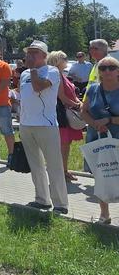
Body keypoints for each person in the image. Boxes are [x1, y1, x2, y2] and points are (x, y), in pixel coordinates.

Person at [19, 41, 68, 215]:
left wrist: (33, 70)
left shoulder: (52, 71)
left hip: (46, 125)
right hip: (26, 125)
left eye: (34, 53)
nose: (29, 56)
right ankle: (42, 200)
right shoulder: (24, 73)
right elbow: (23, 97)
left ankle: (61, 204)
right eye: (28, 53)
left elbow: (38, 87)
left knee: (54, 165)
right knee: (35, 165)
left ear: (44, 56)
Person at [80, 56, 119, 224]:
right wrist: (95, 124)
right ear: (99, 72)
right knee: (100, 175)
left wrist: (109, 121)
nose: (107, 71)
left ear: (118, 71)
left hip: (117, 138)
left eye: (111, 67)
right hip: (97, 138)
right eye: (103, 68)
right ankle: (104, 215)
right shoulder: (93, 89)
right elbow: (83, 111)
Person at [47, 51, 84, 181]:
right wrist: (78, 105)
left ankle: (63, 171)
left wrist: (79, 102)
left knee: (65, 144)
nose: (67, 60)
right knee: (63, 145)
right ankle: (61, 173)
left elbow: (70, 94)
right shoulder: (56, 74)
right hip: (61, 114)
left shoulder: (61, 74)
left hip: (66, 112)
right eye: (65, 58)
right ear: (58, 60)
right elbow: (62, 97)